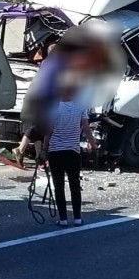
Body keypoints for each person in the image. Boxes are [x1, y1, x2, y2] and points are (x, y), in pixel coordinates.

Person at [38, 76, 97, 227]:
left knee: (59, 186)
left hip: (56, 151)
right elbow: (86, 129)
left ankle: (63, 219)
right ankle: (77, 218)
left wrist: (44, 150)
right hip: (73, 151)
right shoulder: (80, 106)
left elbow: (48, 132)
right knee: (74, 185)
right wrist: (93, 145)